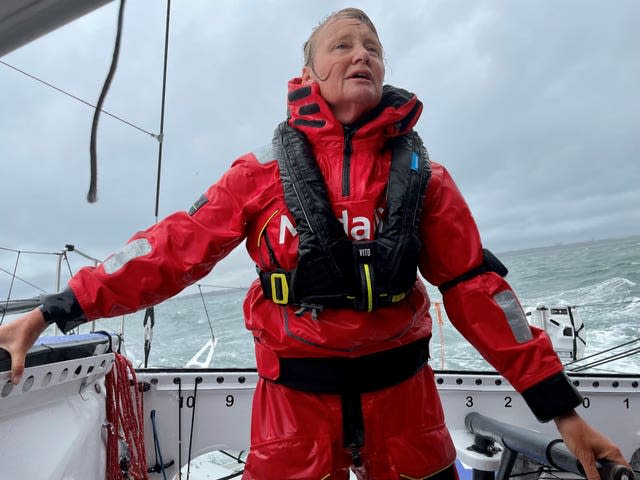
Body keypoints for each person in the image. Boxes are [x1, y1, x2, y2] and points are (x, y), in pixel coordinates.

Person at [0, 8, 630, 480]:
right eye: (343, 45)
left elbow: (479, 292)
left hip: (406, 400)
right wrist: (49, 312)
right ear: (307, 74)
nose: (362, 55)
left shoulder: (426, 179)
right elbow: (166, 251)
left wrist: (564, 413)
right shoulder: (257, 175)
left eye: (374, 48)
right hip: (292, 407)